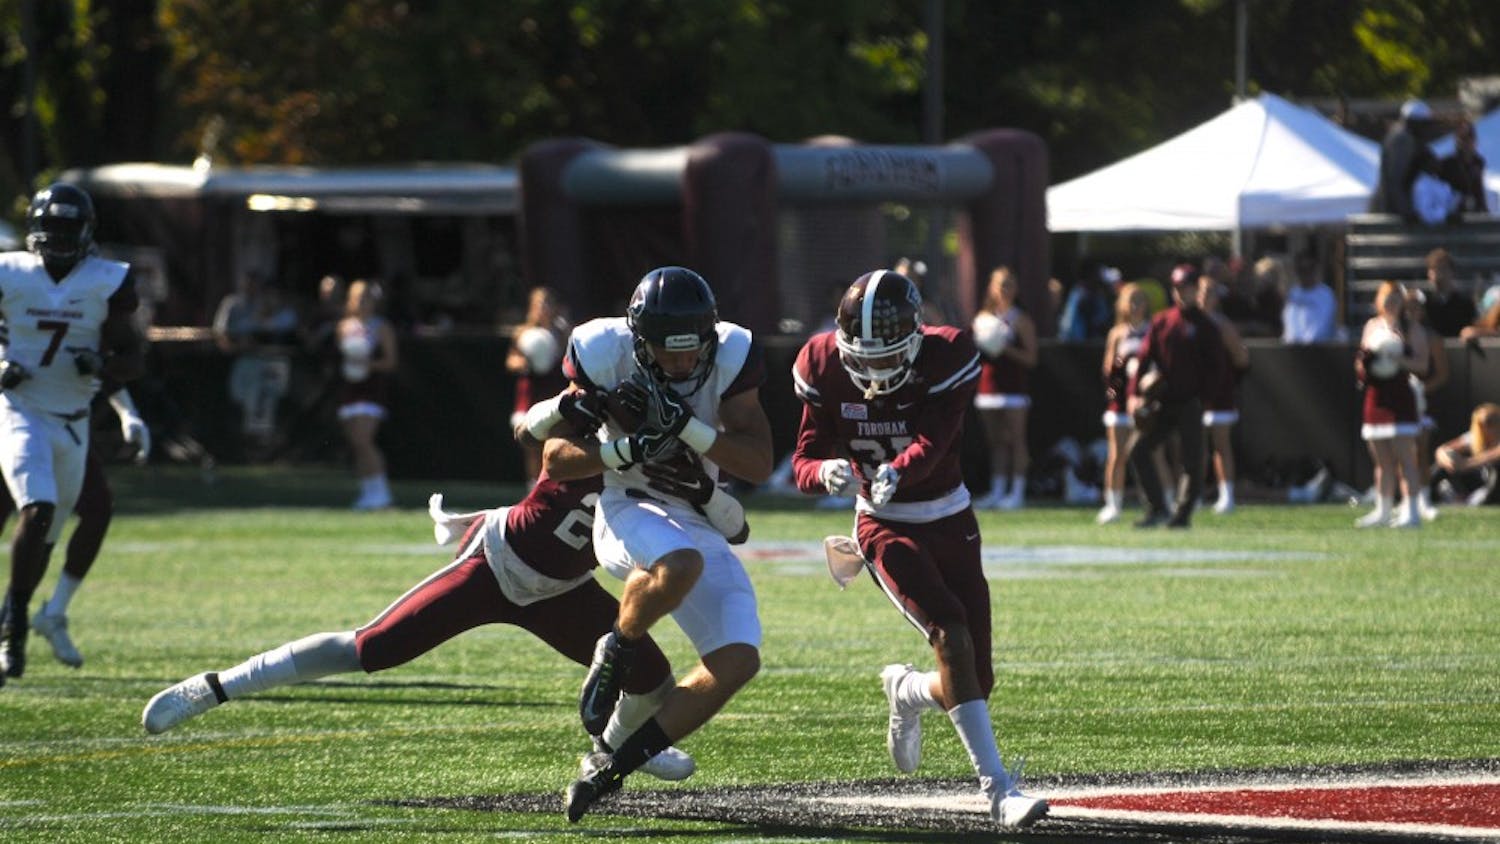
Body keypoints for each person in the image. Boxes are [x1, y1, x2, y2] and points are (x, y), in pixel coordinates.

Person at [140, 395, 743, 782]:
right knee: (374, 647)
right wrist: (612, 439)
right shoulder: (597, 421)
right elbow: (540, 441)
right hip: (498, 563)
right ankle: (215, 687)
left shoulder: (676, 461)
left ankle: (611, 751)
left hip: (562, 588)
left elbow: (728, 517)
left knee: (653, 680)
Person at [786, 269, 1046, 829]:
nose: (875, 372)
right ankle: (998, 791)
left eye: (888, 359)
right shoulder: (822, 362)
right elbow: (802, 459)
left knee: (975, 677)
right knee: (949, 630)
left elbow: (935, 441)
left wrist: (898, 471)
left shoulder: (947, 353)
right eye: (865, 358)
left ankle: (906, 691)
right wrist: (822, 472)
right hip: (881, 524)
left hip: (948, 513)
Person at [545, 266, 773, 823]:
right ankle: (619, 649)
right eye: (666, 353)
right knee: (679, 563)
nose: (680, 364)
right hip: (626, 505)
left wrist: (690, 431)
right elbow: (555, 459)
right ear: (638, 340)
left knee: (738, 658)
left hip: (696, 512)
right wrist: (625, 452)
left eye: (690, 351)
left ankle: (612, 766)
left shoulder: (733, 352)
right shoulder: (604, 350)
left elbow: (760, 463)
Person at [0, 183, 145, 684]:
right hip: (19, 410)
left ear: (85, 232)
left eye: (68, 228)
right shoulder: (9, 272)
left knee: (47, 534)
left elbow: (133, 357)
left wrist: (104, 367)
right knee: (35, 511)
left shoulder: (107, 281)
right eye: (52, 227)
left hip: (74, 419)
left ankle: (17, 612)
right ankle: (15, 624)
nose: (58, 238)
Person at [0, 383, 150, 670]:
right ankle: (13, 623)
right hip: (14, 416)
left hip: (65, 425)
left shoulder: (91, 336)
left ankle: (43, 614)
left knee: (73, 515)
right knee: (33, 515)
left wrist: (128, 412)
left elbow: (105, 355)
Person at [1125, 263, 1225, 529]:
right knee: (1138, 449)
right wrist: (1134, 394)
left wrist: (1205, 398)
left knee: (1192, 460)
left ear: (1195, 290)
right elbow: (1145, 358)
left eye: (1188, 288)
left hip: (1190, 401)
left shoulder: (1205, 326)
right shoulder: (1162, 321)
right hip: (1162, 401)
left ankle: (1182, 515)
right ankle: (1157, 507)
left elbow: (1217, 367)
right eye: (1178, 288)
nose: (1182, 294)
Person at [1354, 281, 1429, 528]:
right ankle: (1383, 509)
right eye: (1387, 297)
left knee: (1406, 458)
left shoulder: (1411, 329)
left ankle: (1411, 511)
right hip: (1376, 397)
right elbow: (1360, 362)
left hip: (1401, 397)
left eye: (1397, 298)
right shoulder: (1372, 326)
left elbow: (1422, 365)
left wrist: (1398, 360)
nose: (1392, 303)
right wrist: (1368, 365)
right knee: (1382, 461)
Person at [212, 270, 299, 459]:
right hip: (244, 362)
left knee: (264, 397)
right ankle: (251, 441)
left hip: (271, 364)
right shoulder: (235, 305)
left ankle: (262, 442)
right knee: (244, 396)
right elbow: (223, 334)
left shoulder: (278, 312)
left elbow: (285, 325)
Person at [969, 267, 1037, 510]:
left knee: (1016, 440)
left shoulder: (1020, 319)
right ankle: (997, 490)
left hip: (1014, 390)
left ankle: (1017, 491)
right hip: (988, 389)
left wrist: (1003, 347)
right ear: (992, 288)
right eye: (1001, 284)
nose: (1005, 289)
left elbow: (1031, 358)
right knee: (996, 441)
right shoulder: (983, 318)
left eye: (1010, 284)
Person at [335, 279, 399, 510]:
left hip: (372, 388)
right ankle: (367, 492)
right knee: (356, 443)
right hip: (350, 388)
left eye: (366, 298)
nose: (362, 303)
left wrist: (367, 365)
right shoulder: (344, 326)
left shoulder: (381, 327)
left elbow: (391, 362)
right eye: (358, 298)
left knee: (364, 439)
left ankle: (382, 494)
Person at [505, 286, 570, 485]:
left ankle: (550, 483)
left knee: (553, 439)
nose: (543, 309)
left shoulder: (562, 333)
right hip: (530, 392)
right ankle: (533, 484)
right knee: (530, 442)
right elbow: (511, 359)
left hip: (553, 390)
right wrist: (521, 363)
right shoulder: (523, 333)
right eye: (539, 305)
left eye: (547, 304)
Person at [1098, 283, 1151, 524]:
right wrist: (1123, 365)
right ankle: (1113, 504)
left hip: (1143, 401)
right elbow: (1108, 369)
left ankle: (1162, 500)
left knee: (1152, 454)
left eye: (1140, 300)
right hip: (1120, 402)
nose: (1135, 305)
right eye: (1131, 300)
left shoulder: (1151, 331)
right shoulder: (1117, 333)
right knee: (1117, 454)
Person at [1198, 275, 1249, 515]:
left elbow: (1241, 358)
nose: (1204, 297)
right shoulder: (1184, 322)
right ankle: (1193, 494)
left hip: (1219, 394)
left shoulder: (1222, 325)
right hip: (1192, 394)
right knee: (1193, 447)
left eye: (1210, 292)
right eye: (1201, 291)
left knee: (1221, 444)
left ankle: (1226, 496)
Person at [1402, 288, 1447, 521]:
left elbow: (1441, 374)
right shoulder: (1395, 335)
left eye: (1416, 307)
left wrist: (1419, 390)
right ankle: (1404, 500)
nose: (1412, 312)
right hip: (1397, 401)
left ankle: (1424, 500)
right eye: (1408, 307)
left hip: (1422, 403)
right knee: (1399, 451)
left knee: (1420, 450)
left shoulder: (1432, 338)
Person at [1369, 98, 1441, 221]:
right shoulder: (1402, 140)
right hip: (1392, 212)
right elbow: (1395, 180)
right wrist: (1406, 211)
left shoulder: (1406, 138)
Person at [1432, 403, 1500, 506]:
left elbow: (1494, 454)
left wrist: (1465, 464)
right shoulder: (1475, 437)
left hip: (1494, 486)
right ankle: (1424, 496)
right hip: (1478, 481)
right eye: (1482, 423)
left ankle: (1477, 502)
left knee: (1496, 469)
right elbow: (1442, 450)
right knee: (1440, 466)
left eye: (1492, 422)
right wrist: (1448, 460)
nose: (1487, 427)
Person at [1280, 253, 1339, 344]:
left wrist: (1306, 345)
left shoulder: (1326, 294)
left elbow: (1322, 325)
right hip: (1294, 349)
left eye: (1310, 269)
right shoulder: (1293, 293)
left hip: (1319, 349)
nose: (1306, 273)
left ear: (1316, 270)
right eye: (1301, 270)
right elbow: (1290, 322)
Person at [1438, 118, 1488, 215]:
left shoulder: (1478, 162)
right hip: (1452, 210)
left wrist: (1483, 208)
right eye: (1462, 138)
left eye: (1470, 137)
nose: (1466, 143)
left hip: (1473, 210)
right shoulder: (1447, 163)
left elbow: (1478, 188)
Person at [1422, 249, 1476, 338]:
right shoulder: (1425, 304)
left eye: (1442, 268)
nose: (1438, 274)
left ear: (1452, 272)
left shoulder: (1465, 303)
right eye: (1433, 269)